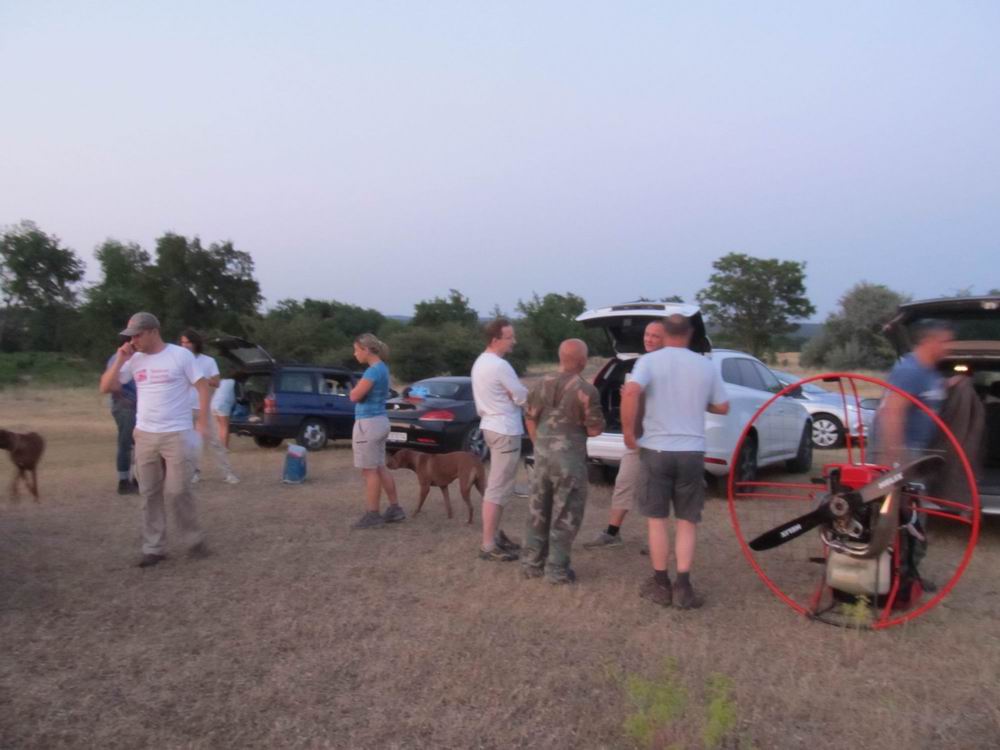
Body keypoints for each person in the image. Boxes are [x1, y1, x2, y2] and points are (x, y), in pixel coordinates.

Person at [622, 314, 729, 609]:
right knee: (687, 520)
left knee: (657, 520)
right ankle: (683, 586)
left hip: (656, 449)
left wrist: (629, 432)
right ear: (689, 334)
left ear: (666, 333)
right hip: (692, 451)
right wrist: (695, 402)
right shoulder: (705, 366)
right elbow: (723, 407)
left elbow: (631, 391)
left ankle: (660, 584)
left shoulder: (649, 362)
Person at [99, 312, 212, 567]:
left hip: (177, 433)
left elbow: (202, 386)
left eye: (137, 335)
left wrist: (202, 422)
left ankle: (194, 539)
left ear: (153, 331)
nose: (133, 341)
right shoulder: (134, 359)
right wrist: (120, 360)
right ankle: (154, 548)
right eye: (130, 337)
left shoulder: (179, 355)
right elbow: (106, 387)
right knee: (149, 492)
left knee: (178, 490)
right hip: (145, 434)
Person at [522, 339, 605, 583]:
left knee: (537, 510)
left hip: (542, 458)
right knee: (565, 514)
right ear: (582, 361)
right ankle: (557, 570)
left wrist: (540, 445)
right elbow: (594, 429)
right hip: (569, 462)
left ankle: (531, 564)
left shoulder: (539, 384)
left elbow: (529, 418)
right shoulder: (587, 390)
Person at [583, 320, 667, 550]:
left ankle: (657, 540)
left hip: (662, 437)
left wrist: (635, 396)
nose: (648, 339)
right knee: (624, 481)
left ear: (666, 339)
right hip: (640, 436)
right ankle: (612, 533)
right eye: (647, 334)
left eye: (655, 336)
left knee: (657, 488)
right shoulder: (641, 363)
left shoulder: (670, 366)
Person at [471, 318, 528, 561]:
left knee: (499, 486)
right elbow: (522, 396)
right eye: (509, 337)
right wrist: (522, 396)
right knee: (498, 487)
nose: (514, 341)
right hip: (505, 429)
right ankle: (488, 545)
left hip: (491, 427)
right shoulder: (500, 365)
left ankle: (494, 536)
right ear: (495, 340)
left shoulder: (481, 362)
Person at [349, 333, 405, 529]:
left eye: (356, 350)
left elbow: (354, 396)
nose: (355, 354)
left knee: (369, 470)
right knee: (380, 467)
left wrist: (354, 390)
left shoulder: (372, 372)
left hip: (368, 424)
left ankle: (372, 514)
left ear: (366, 350)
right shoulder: (383, 369)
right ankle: (395, 508)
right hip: (380, 421)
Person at [179, 329, 238, 484]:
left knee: (214, 442)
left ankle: (227, 472)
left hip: (203, 407)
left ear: (195, 343)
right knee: (191, 443)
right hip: (185, 408)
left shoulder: (208, 361)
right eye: (183, 342)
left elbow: (216, 382)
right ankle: (194, 473)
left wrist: (200, 380)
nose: (185, 345)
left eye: (188, 342)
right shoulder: (179, 360)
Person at [105, 338, 140, 495]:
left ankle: (137, 478)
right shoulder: (118, 358)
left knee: (139, 443)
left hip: (137, 405)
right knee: (126, 442)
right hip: (125, 406)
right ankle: (124, 481)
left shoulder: (139, 358)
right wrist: (124, 399)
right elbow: (113, 382)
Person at [212, 375, 237, 449]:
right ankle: (224, 447)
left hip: (213, 404)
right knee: (224, 427)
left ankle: (219, 446)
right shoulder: (235, 382)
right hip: (223, 405)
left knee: (219, 427)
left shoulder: (223, 381)